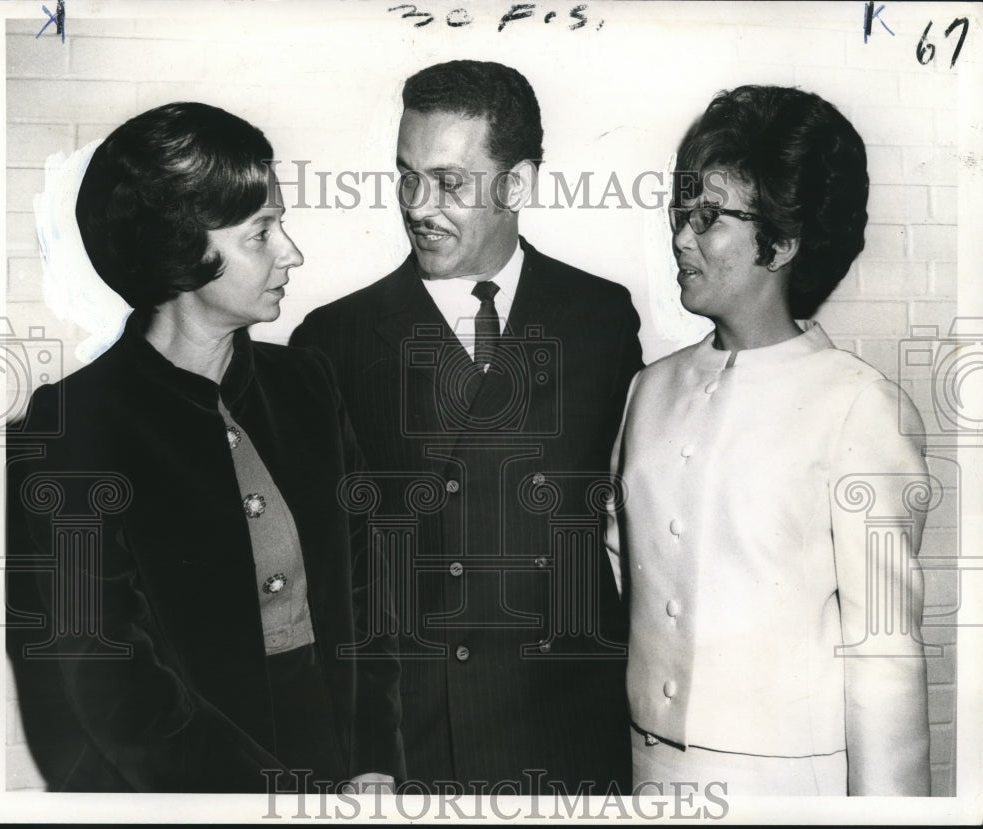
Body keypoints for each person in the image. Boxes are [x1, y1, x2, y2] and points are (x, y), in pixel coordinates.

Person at [5, 102, 403, 793]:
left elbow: (368, 594)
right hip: (183, 786)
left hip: (340, 773)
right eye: (261, 233)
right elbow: (111, 678)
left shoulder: (306, 384)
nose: (293, 253)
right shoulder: (69, 426)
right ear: (184, 250)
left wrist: (374, 760)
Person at [290, 60, 642, 794]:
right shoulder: (333, 339)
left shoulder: (601, 319)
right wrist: (360, 750)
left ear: (517, 185)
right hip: (410, 749)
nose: (419, 205)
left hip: (570, 739)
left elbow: (633, 527)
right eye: (406, 176)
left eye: (449, 182)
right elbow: (323, 578)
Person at [609, 85, 931, 796]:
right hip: (645, 774)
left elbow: (886, 654)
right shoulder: (648, 391)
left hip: (788, 788)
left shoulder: (858, 407)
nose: (681, 237)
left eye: (708, 218)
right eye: (680, 212)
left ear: (782, 242)